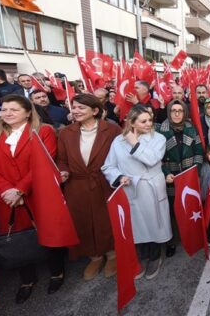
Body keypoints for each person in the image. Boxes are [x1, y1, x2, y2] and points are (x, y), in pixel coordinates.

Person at [0, 95, 65, 303]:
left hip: (38, 194)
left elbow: (44, 161)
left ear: (28, 112)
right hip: (5, 199)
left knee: (47, 232)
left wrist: (20, 190)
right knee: (16, 239)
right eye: (4, 109)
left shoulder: (43, 131)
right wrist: (7, 191)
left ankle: (57, 272)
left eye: (13, 109)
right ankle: (27, 280)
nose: (7, 113)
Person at [102, 105, 172, 280]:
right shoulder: (118, 141)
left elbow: (152, 160)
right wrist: (119, 176)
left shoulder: (159, 138)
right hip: (130, 188)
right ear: (132, 122)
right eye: (143, 121)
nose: (148, 124)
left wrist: (134, 142)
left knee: (154, 222)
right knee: (136, 225)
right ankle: (142, 256)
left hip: (151, 186)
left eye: (150, 120)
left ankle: (155, 257)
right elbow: (108, 166)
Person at [57, 94, 121, 280]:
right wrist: (64, 171)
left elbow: (121, 155)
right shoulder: (66, 133)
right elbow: (61, 159)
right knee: (83, 221)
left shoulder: (112, 129)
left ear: (95, 110)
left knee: (106, 221)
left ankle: (112, 255)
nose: (76, 111)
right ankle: (94, 257)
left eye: (81, 108)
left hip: (105, 182)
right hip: (76, 185)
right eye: (74, 107)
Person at [156, 100, 203, 257]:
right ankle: (172, 241)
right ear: (169, 112)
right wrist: (164, 173)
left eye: (180, 111)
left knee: (188, 206)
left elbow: (198, 151)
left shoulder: (191, 128)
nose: (176, 113)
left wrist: (195, 169)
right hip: (170, 177)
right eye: (173, 111)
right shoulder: (160, 131)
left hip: (188, 176)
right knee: (171, 210)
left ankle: (189, 235)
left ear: (184, 113)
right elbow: (156, 158)